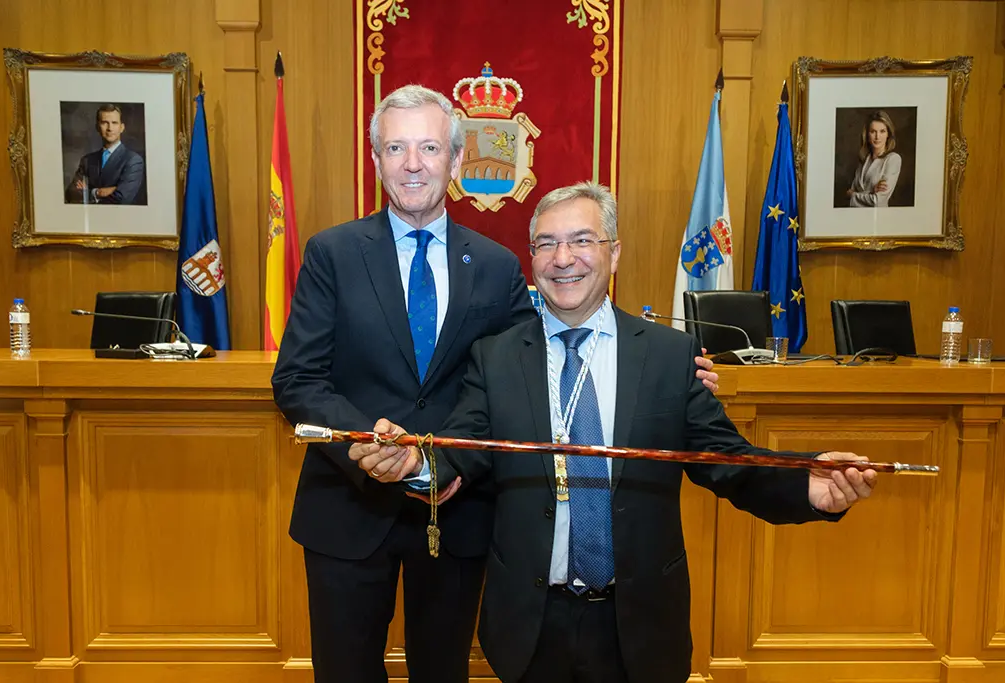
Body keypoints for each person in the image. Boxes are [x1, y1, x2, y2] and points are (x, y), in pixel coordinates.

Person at [272, 83, 725, 683]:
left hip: (459, 513)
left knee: (444, 673)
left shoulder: (495, 264)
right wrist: (369, 442)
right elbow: (296, 378)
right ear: (376, 159)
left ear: (457, 160)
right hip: (347, 507)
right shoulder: (331, 253)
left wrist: (669, 370)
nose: (413, 164)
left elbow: (536, 360)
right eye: (396, 148)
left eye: (430, 147)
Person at [356, 181, 878, 683]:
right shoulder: (496, 358)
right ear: (531, 258)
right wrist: (416, 464)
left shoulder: (669, 356)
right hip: (530, 624)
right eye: (546, 244)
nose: (563, 258)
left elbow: (725, 461)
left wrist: (804, 485)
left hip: (640, 624)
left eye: (582, 240)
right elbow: (463, 449)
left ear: (615, 253)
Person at [65, 104, 146, 205]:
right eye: (104, 123)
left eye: (114, 123)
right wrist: (98, 192)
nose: (110, 128)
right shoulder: (87, 160)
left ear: (122, 127)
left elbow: (121, 199)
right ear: (97, 127)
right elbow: (71, 195)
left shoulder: (133, 160)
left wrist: (88, 193)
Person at [846, 110, 901, 208]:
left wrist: (853, 195)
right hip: (855, 215)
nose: (877, 137)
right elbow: (849, 195)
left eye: (882, 131)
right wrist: (871, 192)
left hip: (878, 216)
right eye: (873, 131)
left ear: (888, 134)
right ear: (867, 135)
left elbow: (877, 201)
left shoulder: (893, 159)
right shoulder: (864, 160)